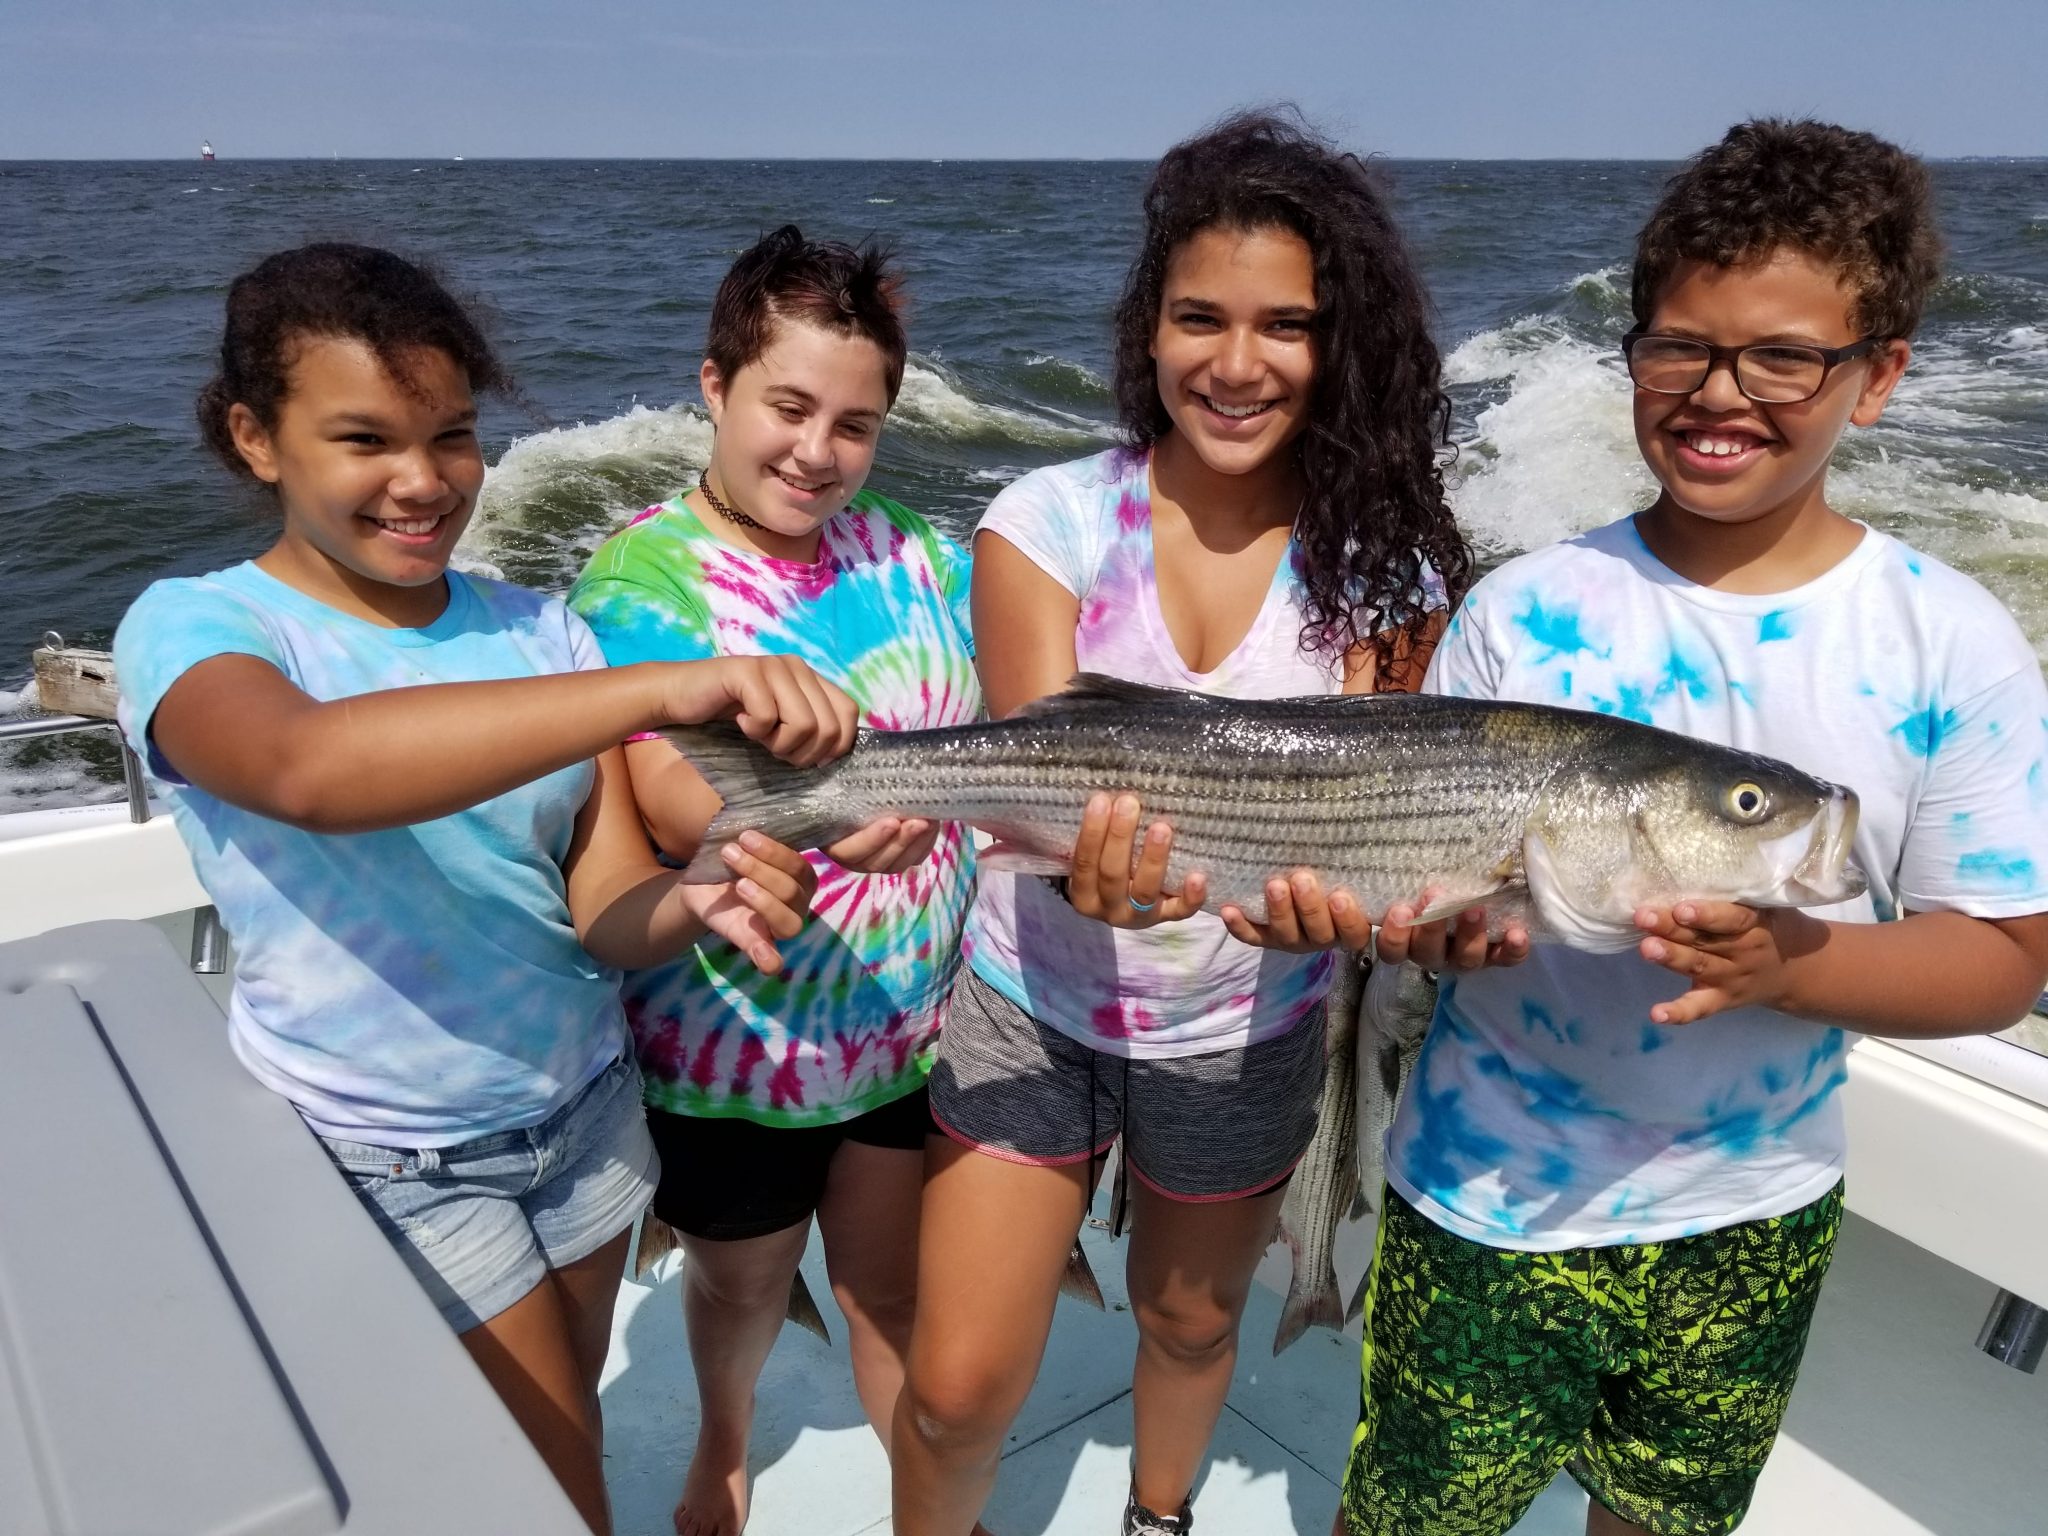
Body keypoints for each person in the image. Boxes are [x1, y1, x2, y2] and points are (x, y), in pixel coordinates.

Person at [1342, 120, 2048, 1536]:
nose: (1722, 393)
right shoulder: (1524, 611)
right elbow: (1434, 905)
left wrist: (1794, 968)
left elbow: (2007, 956)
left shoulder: (1948, 644)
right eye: (1681, 347)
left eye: (1784, 356)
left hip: (1758, 1213)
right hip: (1484, 1200)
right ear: (1634, 355)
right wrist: (1416, 929)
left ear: (1881, 374)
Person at [113, 242, 861, 1536]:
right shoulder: (202, 631)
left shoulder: (538, 631)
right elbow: (305, 770)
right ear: (254, 438)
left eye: (453, 435)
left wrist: (699, 901)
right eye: (365, 439)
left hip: (581, 1119)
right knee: (555, 1492)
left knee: (550, 1444)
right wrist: (667, 685)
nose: (423, 481)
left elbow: (602, 902)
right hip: (397, 1159)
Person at [891, 111, 1513, 1536]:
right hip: (1028, 1002)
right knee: (957, 1387)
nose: (1236, 364)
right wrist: (1092, 875)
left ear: (1338, 339)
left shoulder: (1392, 561)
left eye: (1285, 324)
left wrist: (1386, 916)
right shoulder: (1044, 520)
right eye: (1199, 319)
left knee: (1186, 1326)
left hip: (1247, 1026)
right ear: (1147, 328)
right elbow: (1044, 774)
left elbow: (1391, 827)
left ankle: (1157, 1517)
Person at [567, 226, 980, 1536]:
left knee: (890, 1297)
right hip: (733, 1048)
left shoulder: (915, 552)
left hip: (905, 1032)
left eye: (854, 424)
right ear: (714, 386)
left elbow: (992, 729)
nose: (816, 451)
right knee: (744, 1289)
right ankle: (728, 1449)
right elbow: (673, 788)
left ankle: (934, 1508)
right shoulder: (642, 574)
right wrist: (844, 810)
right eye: (787, 407)